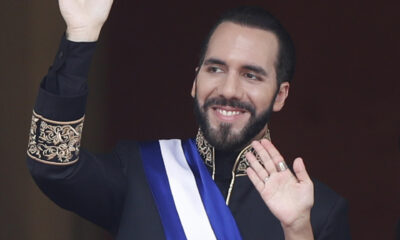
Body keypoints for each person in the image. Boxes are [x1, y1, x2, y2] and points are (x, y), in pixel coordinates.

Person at [26, 1, 351, 239]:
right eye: (215, 69)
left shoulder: (318, 211)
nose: (228, 89)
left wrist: (297, 230)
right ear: (195, 81)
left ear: (280, 95)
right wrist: (81, 37)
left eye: (251, 75)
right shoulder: (140, 171)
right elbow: (51, 165)